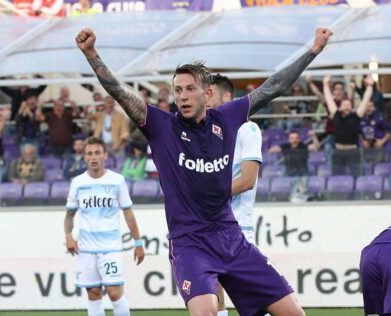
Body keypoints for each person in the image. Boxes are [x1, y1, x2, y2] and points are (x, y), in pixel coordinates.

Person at [76, 26, 331, 315]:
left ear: (207, 92)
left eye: (190, 89)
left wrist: (313, 51)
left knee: (295, 313)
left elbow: (273, 87)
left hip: (231, 237)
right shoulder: (161, 126)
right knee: (207, 311)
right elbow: (120, 92)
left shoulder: (228, 117)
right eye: (177, 90)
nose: (182, 96)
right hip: (190, 243)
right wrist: (92, 55)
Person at [64, 136, 144, 316]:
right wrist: (68, 236)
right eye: (89, 153)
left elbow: (128, 214)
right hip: (86, 249)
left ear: (105, 156)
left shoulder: (117, 180)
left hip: (110, 248)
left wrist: (138, 243)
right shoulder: (78, 183)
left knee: (115, 293)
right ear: (84, 157)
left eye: (97, 153)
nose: (93, 157)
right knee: (93, 294)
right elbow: (69, 215)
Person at [206, 74, 263, 315]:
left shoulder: (246, 128)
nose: (204, 99)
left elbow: (248, 180)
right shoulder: (208, 133)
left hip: (238, 227)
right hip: (210, 226)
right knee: (213, 290)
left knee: (254, 298)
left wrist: (206, 195)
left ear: (227, 96)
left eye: (210, 93)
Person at [323, 75, 374, 176]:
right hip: (338, 152)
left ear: (351, 107)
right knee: (336, 177)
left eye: (349, 105)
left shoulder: (356, 115)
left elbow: (365, 100)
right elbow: (329, 99)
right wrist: (325, 84)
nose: (346, 107)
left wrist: (370, 86)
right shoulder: (335, 114)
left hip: (353, 152)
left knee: (357, 176)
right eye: (344, 105)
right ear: (340, 107)